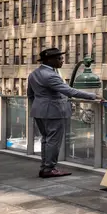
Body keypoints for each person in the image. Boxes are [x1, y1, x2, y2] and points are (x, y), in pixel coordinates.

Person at [27, 47, 100, 178]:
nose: (62, 60)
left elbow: (30, 95)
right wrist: (93, 96)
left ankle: (45, 167)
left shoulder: (34, 74)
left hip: (39, 111)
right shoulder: (50, 76)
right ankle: (49, 169)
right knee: (53, 141)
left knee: (46, 140)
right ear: (50, 60)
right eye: (59, 58)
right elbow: (70, 91)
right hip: (53, 112)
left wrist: (39, 106)